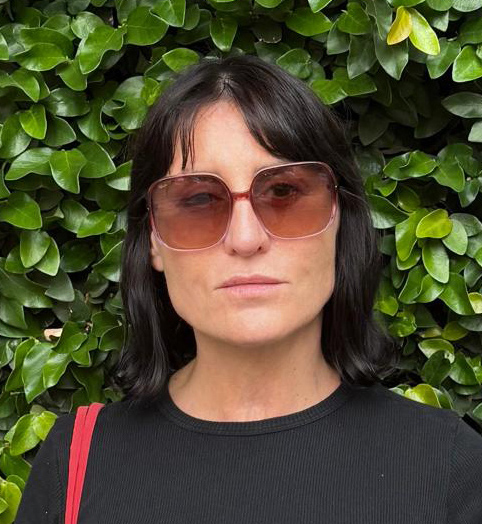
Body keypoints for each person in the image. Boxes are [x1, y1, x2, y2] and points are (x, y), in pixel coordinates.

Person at [15, 54, 482, 524]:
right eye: (200, 199)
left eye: (284, 192)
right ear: (153, 237)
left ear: (339, 219)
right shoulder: (74, 463)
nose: (245, 238)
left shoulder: (449, 468)